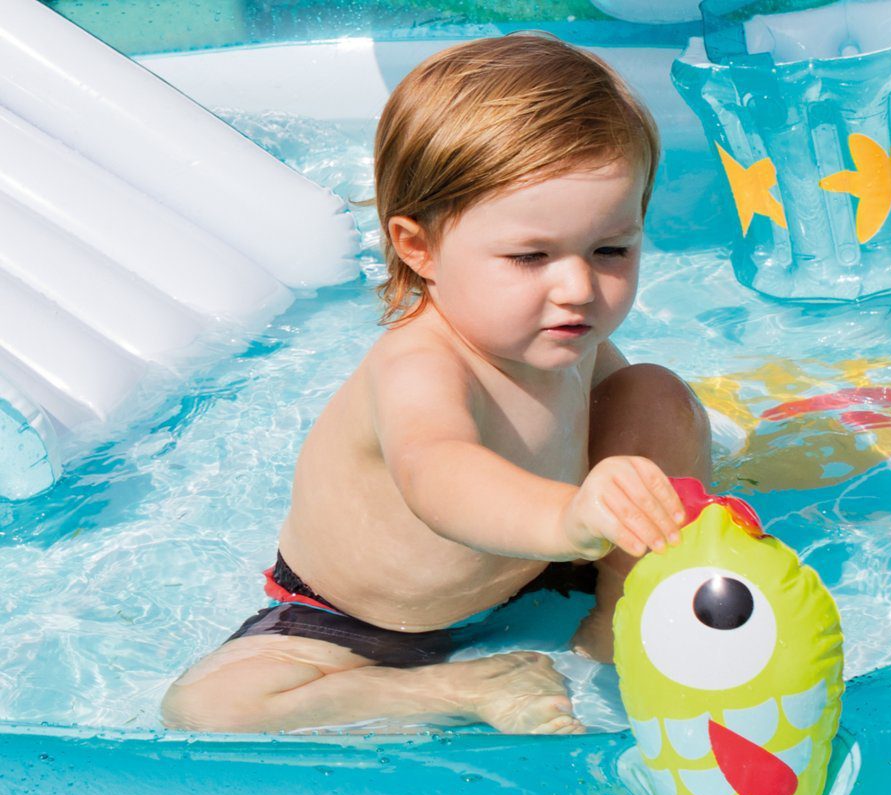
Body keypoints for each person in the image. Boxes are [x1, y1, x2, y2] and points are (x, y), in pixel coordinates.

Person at [161, 33, 710, 736]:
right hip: (366, 625)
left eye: (611, 249)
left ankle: (623, 611)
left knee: (658, 396)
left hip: (539, 561)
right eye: (530, 256)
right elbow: (440, 475)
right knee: (206, 707)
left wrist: (625, 505)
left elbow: (625, 435)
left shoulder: (569, 337)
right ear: (418, 247)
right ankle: (439, 689)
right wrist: (571, 517)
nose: (578, 286)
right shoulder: (421, 363)